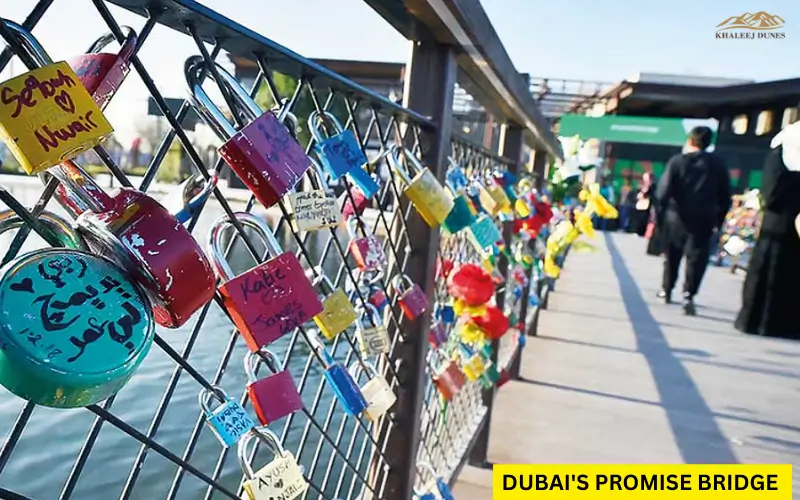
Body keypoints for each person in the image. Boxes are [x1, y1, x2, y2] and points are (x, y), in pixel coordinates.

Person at [655, 126, 732, 315]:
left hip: (676, 217)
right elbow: (725, 197)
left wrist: (660, 218)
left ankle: (666, 289)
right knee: (697, 258)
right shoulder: (718, 164)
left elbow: (663, 192)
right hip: (704, 219)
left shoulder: (677, 162)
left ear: (690, 140)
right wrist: (718, 221)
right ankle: (689, 294)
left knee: (672, 256)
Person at [735, 121, 800, 340]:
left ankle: (756, 321)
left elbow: (770, 192)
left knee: (766, 275)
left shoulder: (782, 143)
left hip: (776, 222)